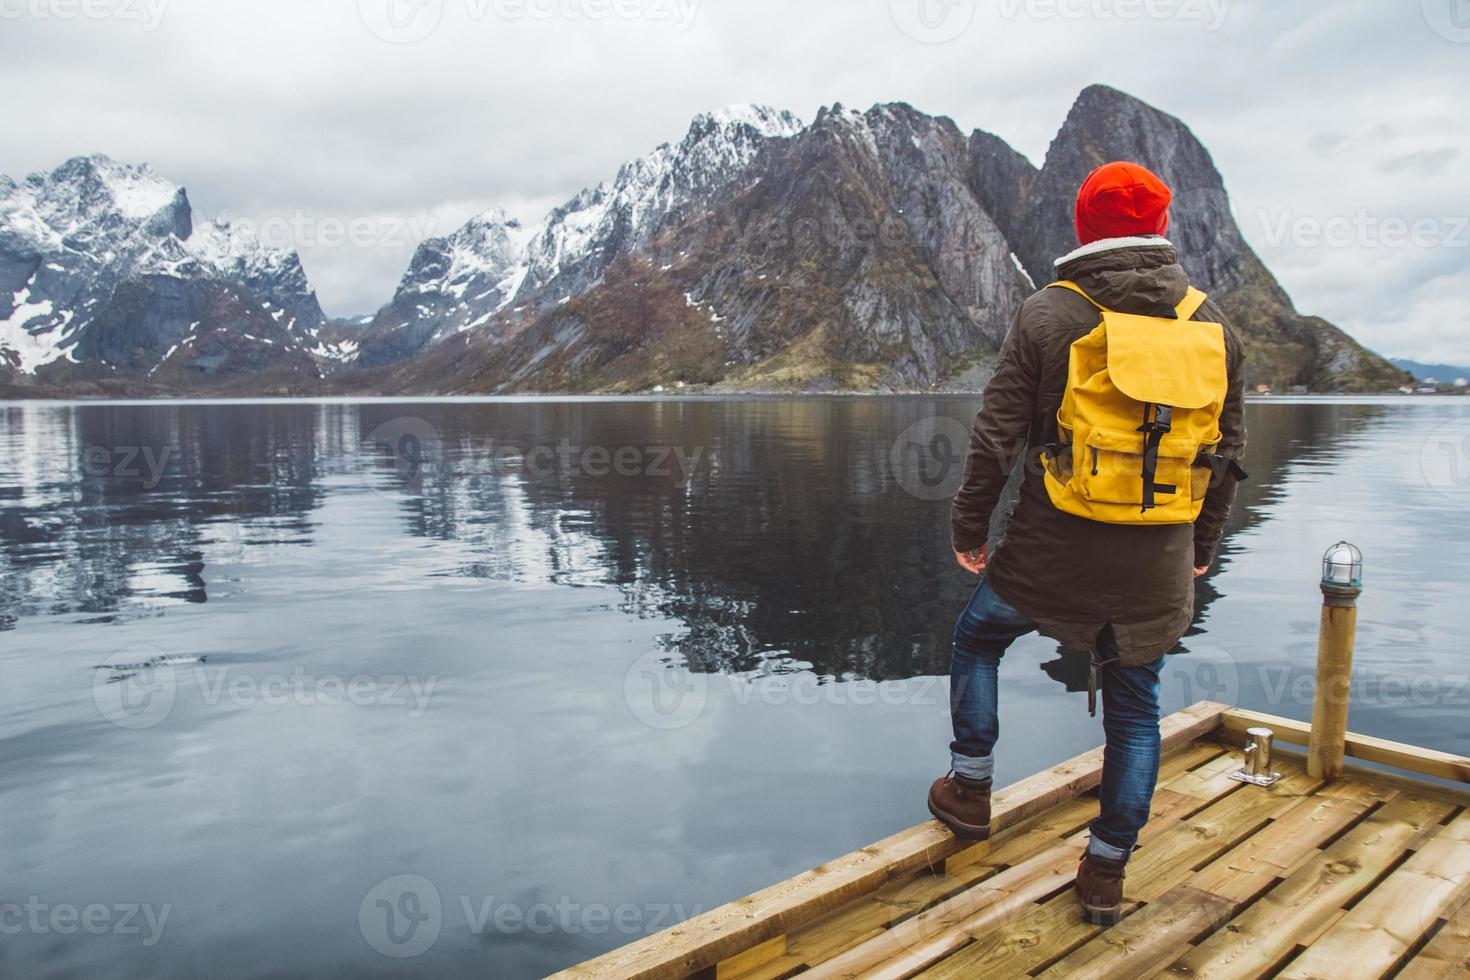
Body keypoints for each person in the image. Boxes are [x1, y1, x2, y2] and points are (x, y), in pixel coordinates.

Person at [926, 160, 1247, 925]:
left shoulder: (1050, 314)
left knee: (978, 638)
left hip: (1052, 545)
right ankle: (1105, 872)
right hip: (1160, 554)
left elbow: (997, 436)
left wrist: (970, 528)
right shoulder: (1213, 326)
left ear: (1083, 229)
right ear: (1162, 228)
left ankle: (970, 789)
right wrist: (1202, 545)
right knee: (1136, 709)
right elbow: (1226, 453)